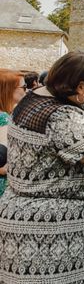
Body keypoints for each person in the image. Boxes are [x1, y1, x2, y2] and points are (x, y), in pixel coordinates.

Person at [0, 52, 84, 284]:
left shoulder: (32, 100)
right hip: (51, 232)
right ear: (80, 85)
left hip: (23, 217)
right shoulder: (62, 117)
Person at [0, 69, 27, 197]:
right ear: (8, 89)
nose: (26, 91)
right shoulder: (3, 118)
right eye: (24, 87)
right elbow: (2, 156)